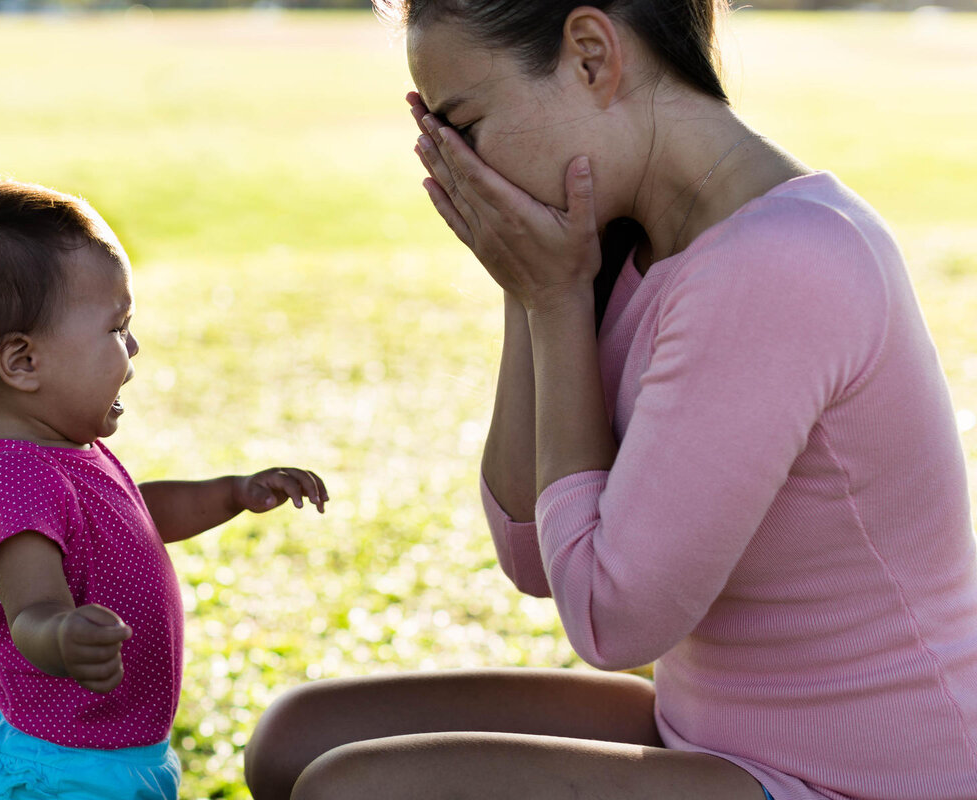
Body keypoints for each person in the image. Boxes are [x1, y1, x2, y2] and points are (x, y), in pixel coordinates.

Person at [242, 1, 977, 798]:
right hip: (708, 731)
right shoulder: (634, 243)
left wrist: (553, 301)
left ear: (592, 55)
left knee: (353, 792)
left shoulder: (782, 262)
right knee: (293, 741)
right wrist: (528, 290)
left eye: (465, 126)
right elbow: (531, 554)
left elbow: (611, 622)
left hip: (873, 777)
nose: (456, 166)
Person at [0, 179, 329, 800]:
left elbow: (135, 517)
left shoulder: (60, 452)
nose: (134, 347)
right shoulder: (12, 476)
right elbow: (30, 611)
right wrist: (61, 635)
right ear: (22, 363)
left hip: (100, 747)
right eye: (118, 326)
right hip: (70, 766)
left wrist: (231, 492)